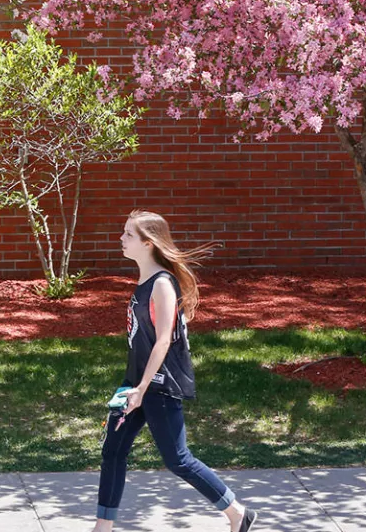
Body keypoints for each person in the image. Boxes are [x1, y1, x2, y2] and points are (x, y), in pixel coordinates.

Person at [93, 210, 257, 532]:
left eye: (128, 234)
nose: (121, 238)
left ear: (148, 243)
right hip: (137, 382)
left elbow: (164, 339)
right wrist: (133, 385)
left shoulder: (162, 285)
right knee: (112, 450)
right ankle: (103, 527)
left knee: (178, 459)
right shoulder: (144, 282)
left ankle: (237, 513)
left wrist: (142, 388)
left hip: (159, 384)